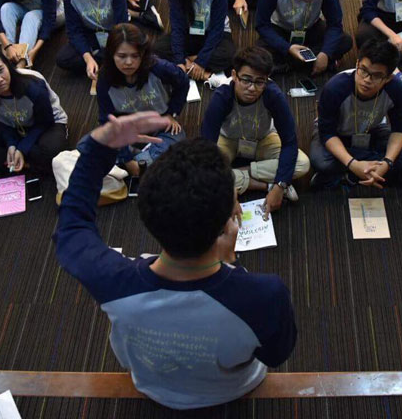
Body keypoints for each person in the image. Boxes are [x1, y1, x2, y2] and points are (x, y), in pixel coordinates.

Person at [54, 113, 297, 410]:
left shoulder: (114, 281)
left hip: (152, 387)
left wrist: (98, 150)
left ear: (148, 216)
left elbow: (72, 229)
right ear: (230, 221)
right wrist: (230, 266)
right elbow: (275, 354)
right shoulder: (264, 294)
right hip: (234, 390)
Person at [202, 46, 309, 210]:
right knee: (202, 173)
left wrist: (280, 185)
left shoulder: (273, 94)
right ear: (234, 76)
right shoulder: (222, 96)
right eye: (246, 80)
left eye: (259, 82)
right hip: (228, 139)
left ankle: (235, 175)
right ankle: (262, 185)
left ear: (267, 79)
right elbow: (206, 145)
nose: (252, 88)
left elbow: (289, 142)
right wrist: (279, 183)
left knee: (302, 164)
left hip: (263, 139)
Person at [309, 40, 402, 189]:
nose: (367, 80)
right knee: (320, 160)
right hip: (337, 133)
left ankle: (348, 175)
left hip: (372, 130)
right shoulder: (335, 87)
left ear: (388, 78)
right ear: (357, 64)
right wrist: (353, 164)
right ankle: (373, 171)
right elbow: (327, 133)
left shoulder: (397, 90)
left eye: (376, 76)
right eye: (363, 70)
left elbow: (399, 130)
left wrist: (387, 163)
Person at [0, 44, 68, 176]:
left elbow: (45, 122)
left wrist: (22, 149)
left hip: (48, 123)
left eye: (0, 70)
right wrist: (12, 144)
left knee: (51, 151)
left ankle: (9, 164)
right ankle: (18, 163)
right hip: (15, 125)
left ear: (7, 65)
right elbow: (1, 122)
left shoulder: (32, 86)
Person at [97, 24, 189, 172]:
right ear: (111, 55)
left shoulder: (159, 67)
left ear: (143, 54)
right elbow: (107, 121)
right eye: (122, 56)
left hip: (160, 126)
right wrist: (127, 160)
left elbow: (183, 81)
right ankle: (143, 161)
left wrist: (171, 112)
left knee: (177, 137)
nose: (128, 62)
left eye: (135, 56)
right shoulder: (105, 79)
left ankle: (134, 164)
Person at [255, 0, 352, 75]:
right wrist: (287, 47)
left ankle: (289, 65)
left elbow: (335, 24)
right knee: (260, 56)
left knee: (345, 41)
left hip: (310, 27)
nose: (307, 2)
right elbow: (262, 25)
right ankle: (306, 63)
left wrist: (325, 53)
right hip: (280, 28)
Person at [56, 0, 129, 79]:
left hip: (114, 34)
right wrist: (88, 58)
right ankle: (102, 61)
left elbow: (121, 26)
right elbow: (74, 30)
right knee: (63, 59)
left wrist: (113, 49)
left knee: (131, 52)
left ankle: (102, 60)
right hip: (90, 34)